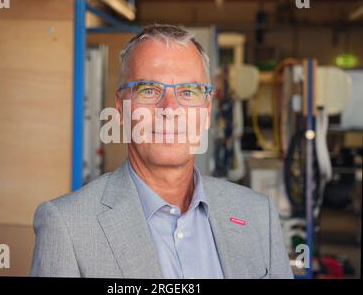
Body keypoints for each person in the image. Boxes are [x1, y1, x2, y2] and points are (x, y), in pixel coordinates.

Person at [30, 24, 293, 279]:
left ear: (207, 111)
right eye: (149, 90)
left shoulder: (258, 215)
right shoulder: (67, 226)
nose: (169, 109)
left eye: (188, 92)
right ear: (121, 109)